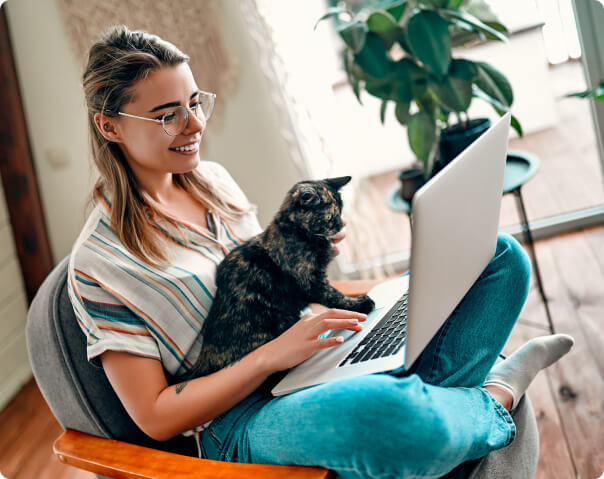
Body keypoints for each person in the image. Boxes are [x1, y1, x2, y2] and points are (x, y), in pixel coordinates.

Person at [68, 25, 574, 479]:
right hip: (240, 420)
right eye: (166, 116)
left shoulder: (212, 182)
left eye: (195, 102)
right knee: (388, 416)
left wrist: (306, 257)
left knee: (501, 258)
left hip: (311, 357)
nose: (194, 125)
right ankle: (491, 400)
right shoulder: (101, 264)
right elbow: (156, 417)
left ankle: (425, 425)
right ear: (109, 127)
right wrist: (272, 356)